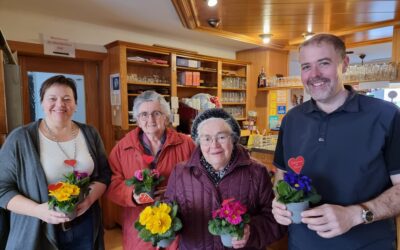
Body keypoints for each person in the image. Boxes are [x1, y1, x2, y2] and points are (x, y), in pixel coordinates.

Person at [271, 33, 400, 249]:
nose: (314, 75)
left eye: (324, 63)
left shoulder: (386, 116)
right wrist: (280, 201)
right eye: (305, 67)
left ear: (344, 64)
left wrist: (356, 214)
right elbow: (282, 176)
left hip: (367, 244)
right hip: (301, 244)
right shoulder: (292, 119)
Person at [0, 75, 111, 250]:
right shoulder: (20, 138)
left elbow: (104, 174)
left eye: (67, 99)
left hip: (85, 225)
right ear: (42, 102)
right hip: (37, 229)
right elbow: (2, 189)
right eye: (52, 98)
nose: (60, 104)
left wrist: (89, 200)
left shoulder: (90, 133)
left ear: (75, 104)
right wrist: (38, 211)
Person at [164, 108, 286, 250]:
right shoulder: (180, 173)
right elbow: (169, 212)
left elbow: (276, 220)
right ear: (199, 142)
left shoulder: (257, 172)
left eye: (221, 137)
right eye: (207, 138)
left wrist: (250, 232)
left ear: (233, 139)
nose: (214, 145)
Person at [106, 90, 195, 250]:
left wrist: (175, 193)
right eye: (144, 114)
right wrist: (132, 195)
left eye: (156, 113)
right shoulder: (122, 148)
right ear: (137, 120)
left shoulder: (186, 144)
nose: (150, 119)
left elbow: (199, 180)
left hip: (177, 226)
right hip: (140, 229)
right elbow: (112, 184)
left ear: (166, 117)